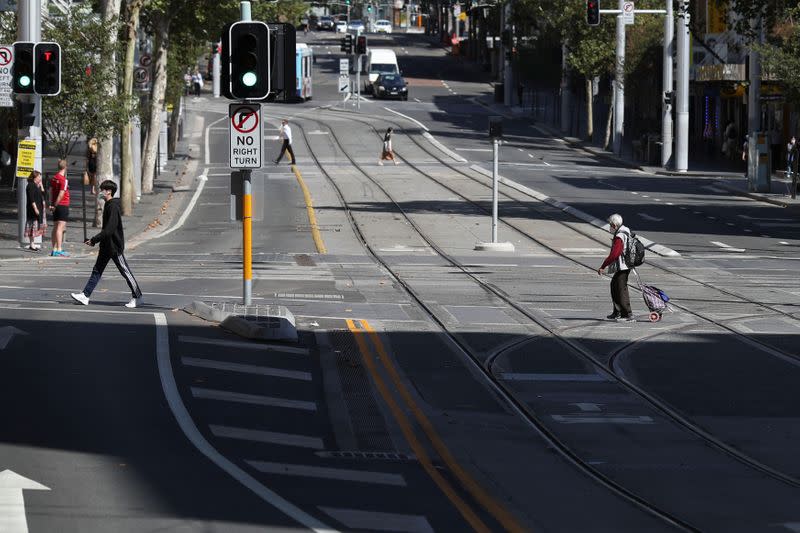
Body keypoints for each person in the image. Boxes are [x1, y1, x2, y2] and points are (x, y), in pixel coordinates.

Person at [71, 180, 143, 308]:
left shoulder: (113, 206)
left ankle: (137, 296)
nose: (100, 192)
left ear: (108, 191)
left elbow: (109, 229)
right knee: (97, 270)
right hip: (106, 246)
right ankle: (85, 295)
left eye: (102, 189)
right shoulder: (109, 205)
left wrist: (94, 239)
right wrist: (95, 241)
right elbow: (107, 230)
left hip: (114, 246)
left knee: (124, 271)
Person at [597, 213, 634, 322]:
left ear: (614, 225)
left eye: (610, 225)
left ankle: (627, 314)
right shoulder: (625, 229)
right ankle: (617, 312)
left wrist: (603, 266)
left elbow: (615, 254)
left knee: (620, 288)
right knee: (615, 285)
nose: (609, 227)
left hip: (623, 266)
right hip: (626, 264)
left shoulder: (619, 236)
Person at [48, 159, 70, 257]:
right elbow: (61, 194)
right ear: (65, 167)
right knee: (60, 227)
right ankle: (59, 249)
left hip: (55, 205)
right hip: (62, 204)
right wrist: (56, 204)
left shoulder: (54, 178)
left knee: (55, 226)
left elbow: (50, 192)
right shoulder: (63, 180)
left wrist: (51, 204)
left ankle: (54, 249)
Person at [25, 170, 46, 252]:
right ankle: (31, 244)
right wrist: (35, 208)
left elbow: (44, 196)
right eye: (39, 176)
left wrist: (42, 186)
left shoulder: (36, 186)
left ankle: (32, 244)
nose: (40, 178)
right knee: (32, 227)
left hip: (38, 209)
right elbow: (31, 198)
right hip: (32, 210)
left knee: (34, 227)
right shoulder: (30, 185)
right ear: (35, 177)